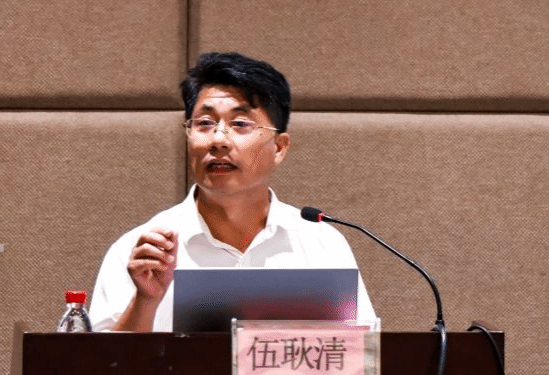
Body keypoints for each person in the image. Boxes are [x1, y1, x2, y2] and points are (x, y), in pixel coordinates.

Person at [89, 51, 375, 331]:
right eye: (204, 123)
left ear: (279, 147)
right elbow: (102, 361)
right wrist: (145, 301)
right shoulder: (143, 252)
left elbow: (360, 353)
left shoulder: (321, 244)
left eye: (240, 124)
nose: (218, 139)